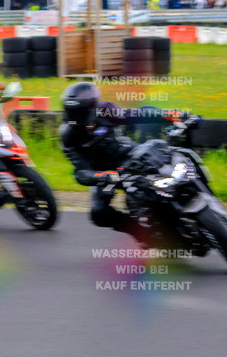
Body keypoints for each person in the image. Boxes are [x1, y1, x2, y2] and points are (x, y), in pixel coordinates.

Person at [59, 82, 182, 240]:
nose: (76, 116)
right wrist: (101, 176)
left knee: (160, 178)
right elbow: (81, 172)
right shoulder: (68, 136)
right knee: (98, 213)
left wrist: (168, 115)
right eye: (72, 112)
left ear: (92, 106)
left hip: (131, 156)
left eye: (80, 111)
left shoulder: (105, 111)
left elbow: (135, 115)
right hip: (108, 175)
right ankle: (142, 233)